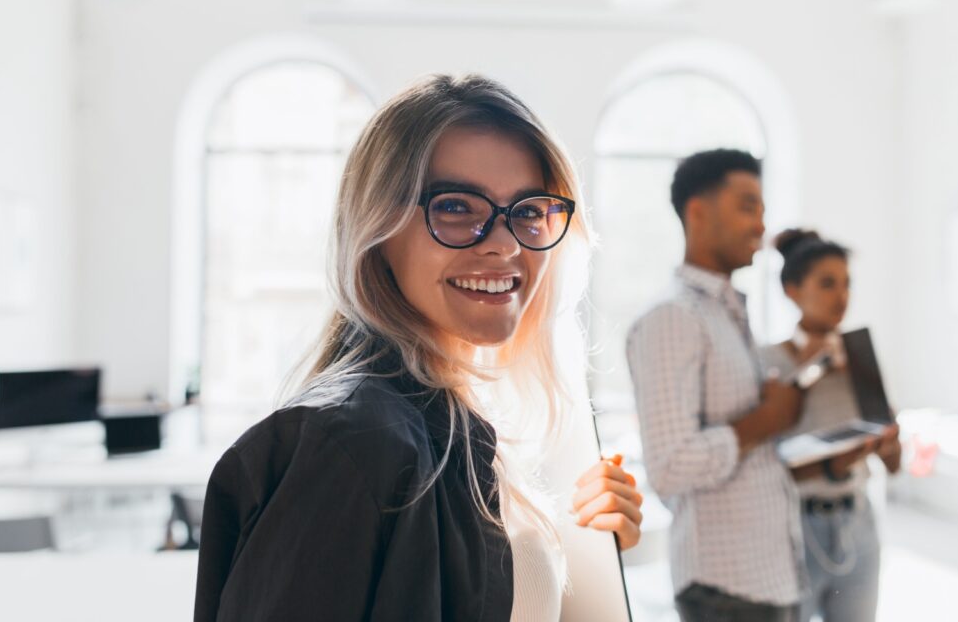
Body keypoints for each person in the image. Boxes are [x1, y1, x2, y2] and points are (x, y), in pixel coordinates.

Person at [194, 74, 643, 622]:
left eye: (528, 211)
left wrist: (584, 549)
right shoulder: (345, 445)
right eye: (455, 207)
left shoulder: (464, 430)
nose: (504, 245)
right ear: (378, 229)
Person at [626, 149, 807, 622]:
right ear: (698, 213)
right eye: (748, 207)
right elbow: (668, 467)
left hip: (769, 573)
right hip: (725, 589)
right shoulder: (672, 318)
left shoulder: (726, 311)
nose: (760, 225)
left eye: (763, 210)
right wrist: (765, 420)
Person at [760, 229, 901, 622]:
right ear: (792, 290)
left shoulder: (860, 358)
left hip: (859, 523)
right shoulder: (769, 361)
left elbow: (894, 464)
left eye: (846, 284)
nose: (841, 296)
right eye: (827, 284)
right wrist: (832, 467)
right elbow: (761, 465)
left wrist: (889, 442)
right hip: (793, 527)